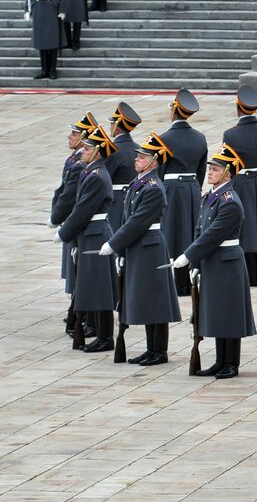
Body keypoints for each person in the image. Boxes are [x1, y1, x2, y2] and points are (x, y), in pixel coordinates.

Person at [174, 143, 257, 379]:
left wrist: (189, 255)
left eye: (215, 169)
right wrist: (196, 265)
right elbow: (200, 231)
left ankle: (231, 363)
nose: (209, 172)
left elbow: (213, 235)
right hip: (212, 261)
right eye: (209, 168)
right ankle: (221, 360)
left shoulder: (230, 201)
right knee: (219, 313)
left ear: (228, 173)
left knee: (229, 313)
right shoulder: (211, 197)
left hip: (227, 262)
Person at [102, 131, 182, 366]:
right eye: (137, 156)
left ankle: (160, 351)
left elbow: (138, 221)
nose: (136, 159)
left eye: (142, 157)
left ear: (154, 161)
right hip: (139, 247)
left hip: (150, 246)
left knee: (155, 299)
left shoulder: (154, 187)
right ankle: (151, 348)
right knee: (147, 299)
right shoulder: (139, 183)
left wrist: (114, 243)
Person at [57, 125, 118, 353]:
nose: (82, 151)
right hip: (89, 234)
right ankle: (100, 333)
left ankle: (105, 337)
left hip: (95, 235)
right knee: (92, 285)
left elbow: (83, 209)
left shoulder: (96, 176)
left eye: (87, 148)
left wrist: (64, 233)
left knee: (99, 287)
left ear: (97, 152)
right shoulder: (91, 172)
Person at [223, 86, 257, 286]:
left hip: (240, 183)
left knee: (245, 229)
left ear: (238, 105)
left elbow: (226, 165)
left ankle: (247, 274)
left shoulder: (230, 135)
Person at [159, 88, 207, 297]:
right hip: (193, 187)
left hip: (172, 189)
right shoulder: (200, 137)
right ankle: (191, 277)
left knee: (175, 234)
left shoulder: (164, 138)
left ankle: (179, 283)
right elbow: (202, 169)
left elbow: (159, 171)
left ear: (174, 111)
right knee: (191, 232)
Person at [53, 114, 97, 338]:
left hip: (75, 220)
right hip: (70, 218)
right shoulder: (76, 158)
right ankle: (76, 307)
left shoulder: (83, 164)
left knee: (77, 267)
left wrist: (58, 217)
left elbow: (70, 195)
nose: (70, 137)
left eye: (75, 134)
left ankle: (81, 311)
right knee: (73, 267)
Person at [106, 101, 141, 234]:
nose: (110, 127)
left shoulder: (112, 150)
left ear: (117, 127)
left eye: (112, 124)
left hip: (115, 201)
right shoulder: (138, 148)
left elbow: (105, 178)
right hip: (133, 198)